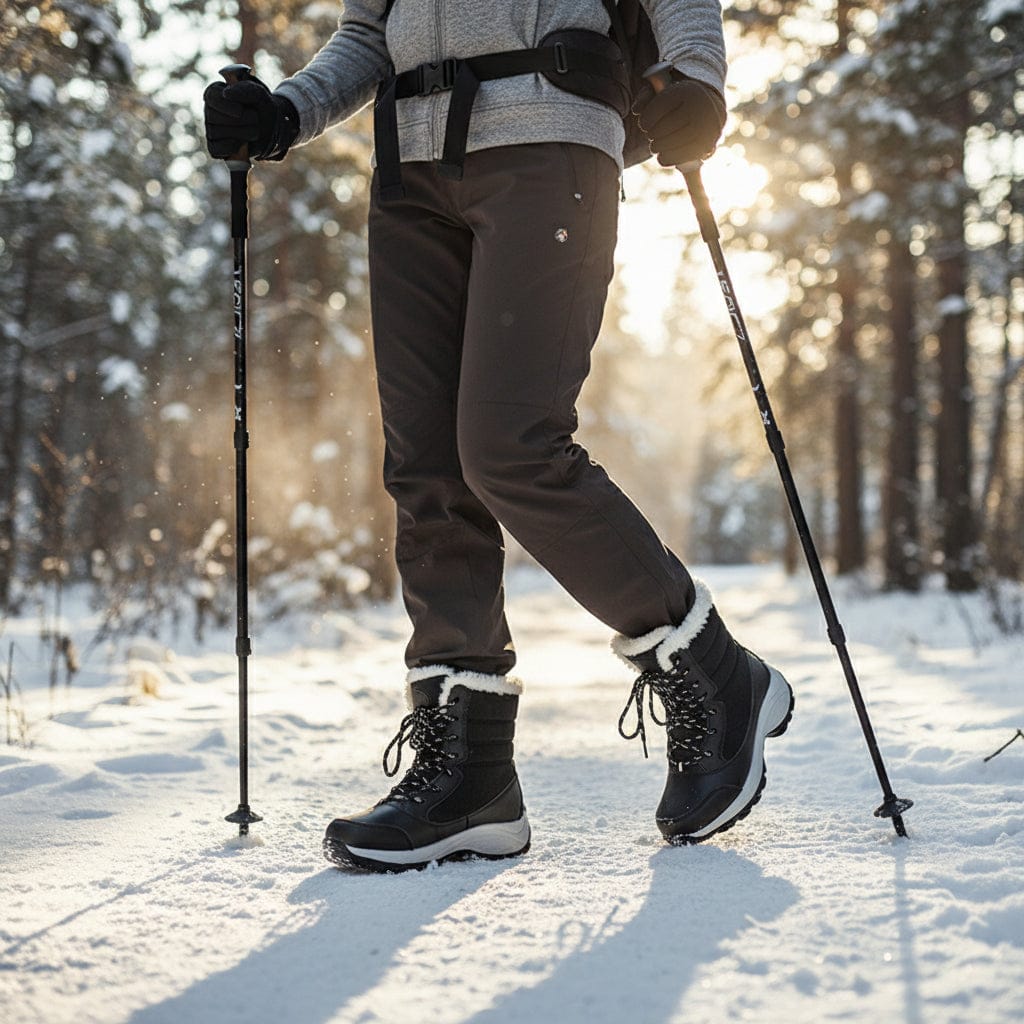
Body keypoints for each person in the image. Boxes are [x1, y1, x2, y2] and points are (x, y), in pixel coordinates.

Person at [204, 0, 794, 873]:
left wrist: (698, 78)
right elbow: (370, 31)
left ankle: (706, 665)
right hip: (409, 170)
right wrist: (290, 110)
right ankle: (470, 776)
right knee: (426, 468)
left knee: (511, 445)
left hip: (551, 138)